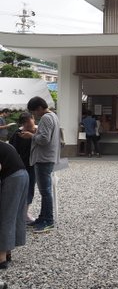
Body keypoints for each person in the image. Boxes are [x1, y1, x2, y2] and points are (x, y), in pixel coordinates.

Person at [19, 96, 61, 233]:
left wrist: (31, 136)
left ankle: (48, 220)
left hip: (43, 158)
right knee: (45, 191)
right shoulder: (53, 115)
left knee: (45, 191)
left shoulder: (46, 118)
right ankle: (42, 218)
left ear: (39, 108)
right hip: (47, 157)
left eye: (34, 112)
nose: (34, 115)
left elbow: (44, 140)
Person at [0, 142, 29, 269]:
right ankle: (8, 252)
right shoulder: (3, 145)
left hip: (13, 178)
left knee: (6, 216)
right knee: (15, 214)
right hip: (23, 175)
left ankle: (1, 258)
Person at [9, 112, 37, 222]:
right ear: (22, 124)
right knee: (21, 189)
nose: (29, 127)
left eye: (31, 125)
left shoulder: (38, 131)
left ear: (33, 119)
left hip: (34, 164)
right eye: (27, 126)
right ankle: (20, 213)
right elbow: (13, 150)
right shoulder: (18, 134)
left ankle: (24, 213)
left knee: (30, 188)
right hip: (21, 165)